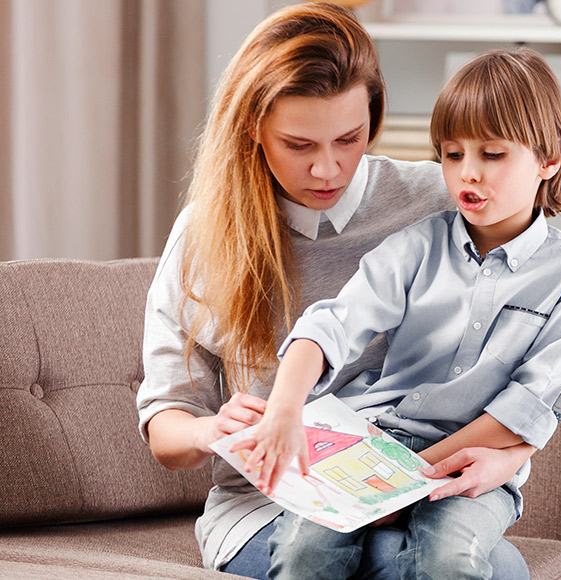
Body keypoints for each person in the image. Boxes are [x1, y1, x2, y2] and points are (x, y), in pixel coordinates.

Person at [136, 4, 533, 578]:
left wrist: (515, 452)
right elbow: (166, 423)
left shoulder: (439, 205)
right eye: (299, 145)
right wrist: (209, 430)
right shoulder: (206, 234)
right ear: (253, 128)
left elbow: (534, 343)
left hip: (417, 494)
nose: (328, 169)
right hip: (266, 509)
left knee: (490, 567)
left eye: (349, 138)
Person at [232, 47, 561, 580]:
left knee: (449, 561)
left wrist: (416, 474)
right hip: (372, 443)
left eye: (492, 155)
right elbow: (331, 324)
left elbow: (530, 403)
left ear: (549, 160)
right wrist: (286, 409)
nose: (468, 174)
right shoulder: (414, 247)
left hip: (473, 467)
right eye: (452, 156)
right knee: (302, 549)